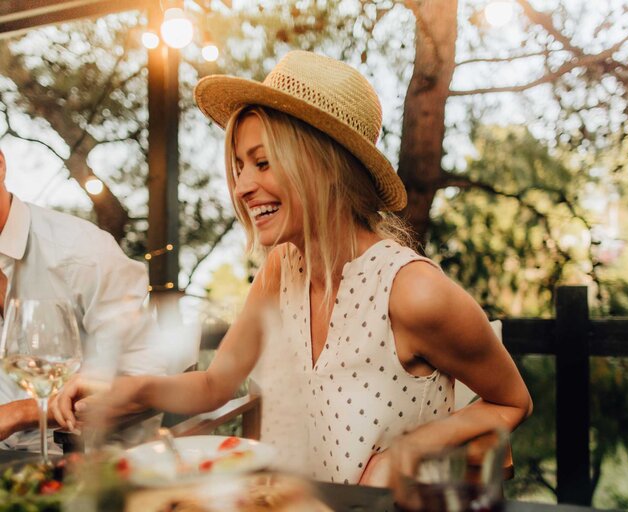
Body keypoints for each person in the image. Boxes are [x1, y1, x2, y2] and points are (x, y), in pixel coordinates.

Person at [53, 51, 532, 486]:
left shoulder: (412, 291)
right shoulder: (282, 268)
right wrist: (129, 387)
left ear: (324, 165)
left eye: (262, 163)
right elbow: (214, 385)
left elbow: (512, 401)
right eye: (240, 167)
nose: (242, 187)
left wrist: (408, 452)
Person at [0, 147, 167, 452]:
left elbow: (145, 378)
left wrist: (22, 412)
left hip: (90, 465)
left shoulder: (82, 253)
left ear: (0, 165)